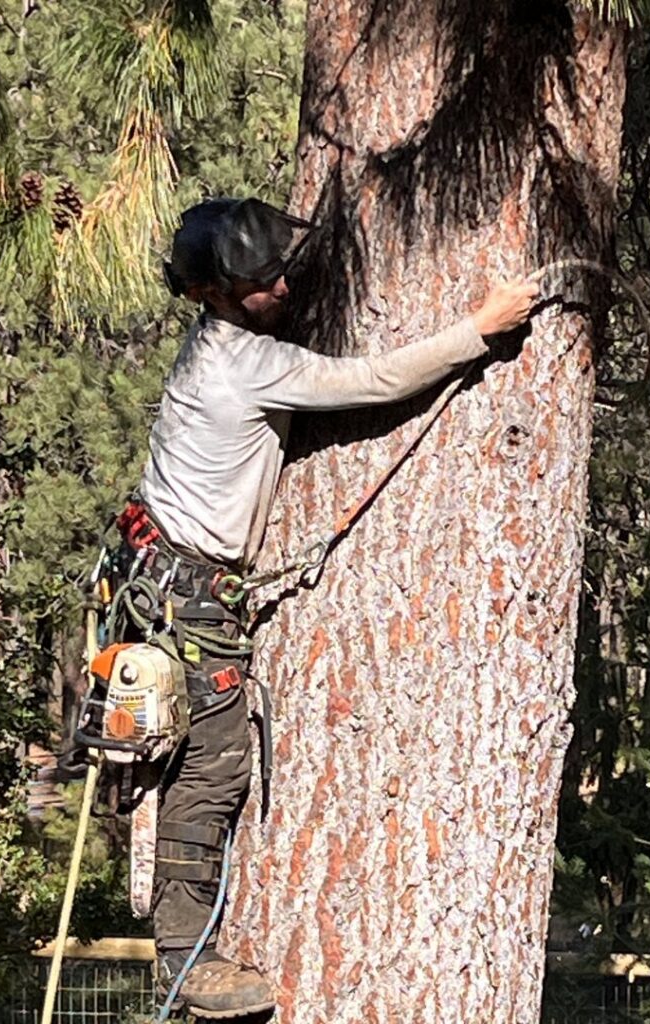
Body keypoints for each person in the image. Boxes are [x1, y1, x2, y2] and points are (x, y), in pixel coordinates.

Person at [123, 197, 539, 1018]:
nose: (282, 285)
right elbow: (374, 381)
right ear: (216, 291)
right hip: (189, 593)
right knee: (211, 766)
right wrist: (478, 330)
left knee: (188, 758)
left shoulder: (219, 343)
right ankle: (184, 958)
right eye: (263, 279)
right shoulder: (246, 365)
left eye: (281, 269)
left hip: (162, 576)